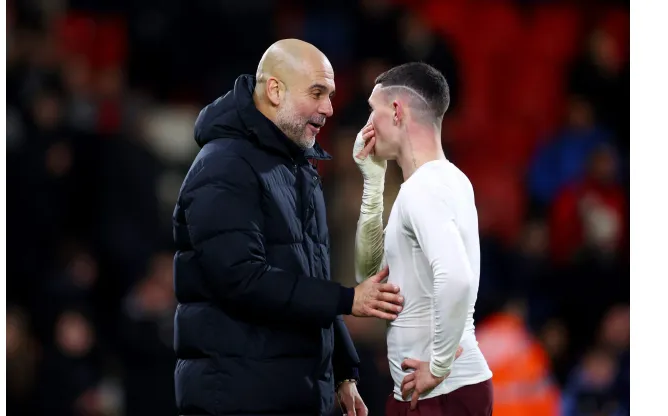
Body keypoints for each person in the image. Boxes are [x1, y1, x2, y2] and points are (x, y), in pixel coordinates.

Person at [172, 39, 405, 416]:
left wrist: (342, 371)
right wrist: (348, 300)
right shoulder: (223, 167)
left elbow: (306, 277)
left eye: (330, 95)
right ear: (275, 90)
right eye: (317, 93)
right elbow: (242, 279)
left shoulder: (297, 169)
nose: (328, 108)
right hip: (238, 396)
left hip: (287, 391)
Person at [352, 62, 494, 415]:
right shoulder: (443, 181)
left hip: (440, 393)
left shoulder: (425, 188)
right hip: (433, 393)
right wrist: (372, 183)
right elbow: (369, 280)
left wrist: (440, 365)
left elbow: (456, 279)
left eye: (374, 110)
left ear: (397, 112)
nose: (368, 125)